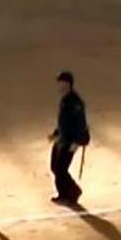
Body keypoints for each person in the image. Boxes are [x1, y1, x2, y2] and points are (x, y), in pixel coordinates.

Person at [48, 71, 90, 206]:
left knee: (60, 168)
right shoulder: (65, 100)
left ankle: (73, 192)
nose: (59, 85)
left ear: (68, 84)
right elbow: (63, 122)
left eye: (61, 82)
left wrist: (77, 142)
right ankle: (64, 193)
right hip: (62, 139)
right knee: (55, 167)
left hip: (70, 141)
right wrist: (55, 134)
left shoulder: (75, 102)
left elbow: (80, 123)